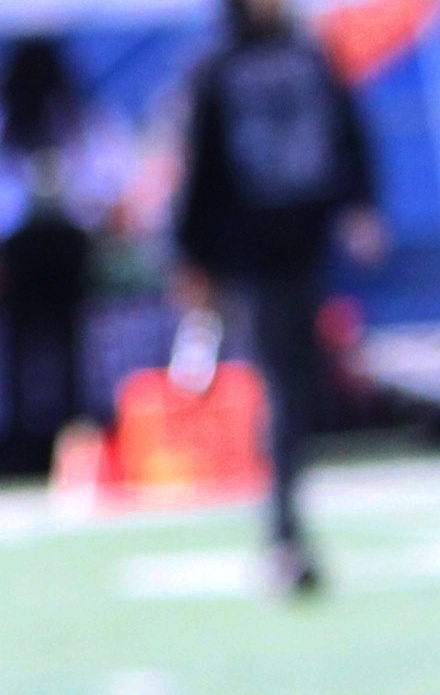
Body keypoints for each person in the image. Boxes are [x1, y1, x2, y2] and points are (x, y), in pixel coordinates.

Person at [174, 0, 386, 596]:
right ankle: (284, 531)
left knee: (304, 387)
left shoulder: (308, 55)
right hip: (252, 251)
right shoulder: (216, 67)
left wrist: (360, 204)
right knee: (283, 389)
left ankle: (287, 524)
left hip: (306, 241)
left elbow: (347, 131)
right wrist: (193, 256)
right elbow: (199, 165)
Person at [0, 36, 139, 472]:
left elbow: (113, 174)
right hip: (26, 242)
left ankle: (59, 442)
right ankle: (33, 439)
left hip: (59, 240)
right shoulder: (5, 117)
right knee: (35, 345)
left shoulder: (73, 118)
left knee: (50, 345)